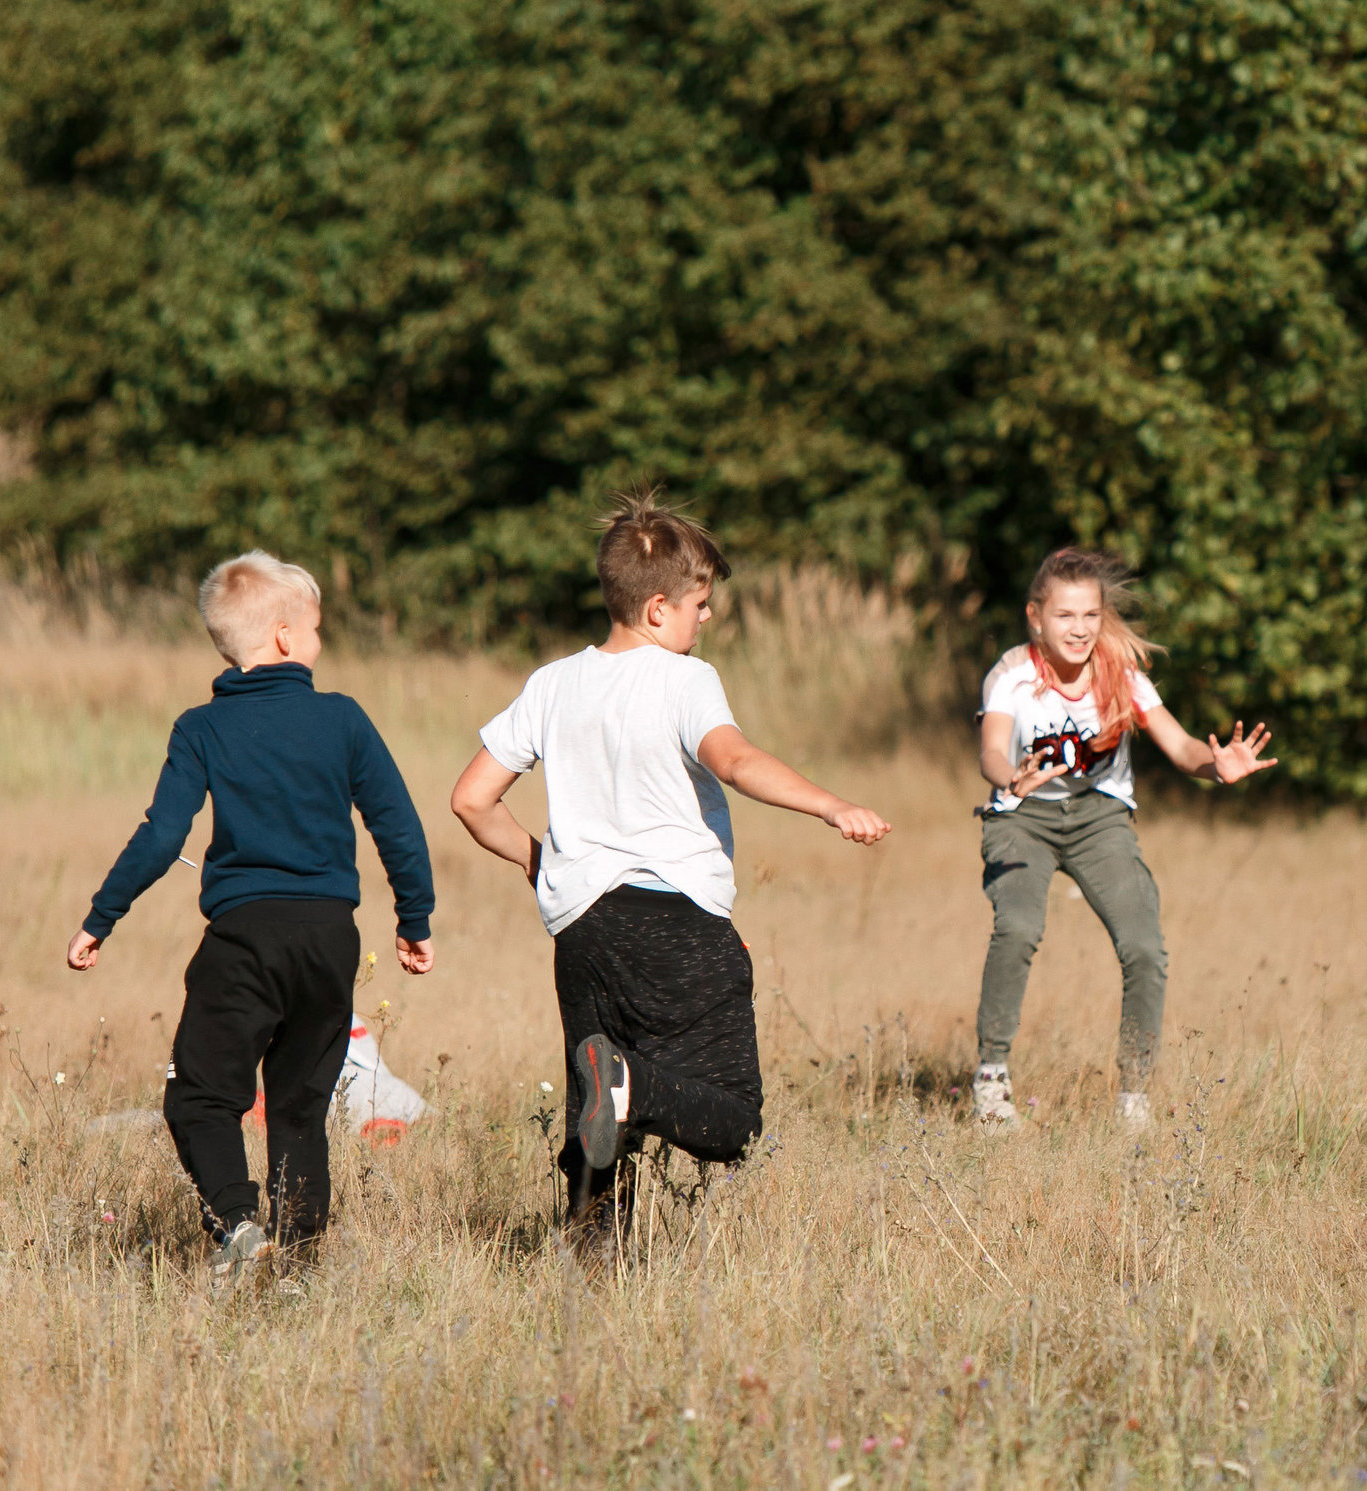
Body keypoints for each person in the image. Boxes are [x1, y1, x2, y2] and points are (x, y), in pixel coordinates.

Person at [449, 491, 891, 1236]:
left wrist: (542, 862)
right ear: (658, 610)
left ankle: (589, 1273)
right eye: (701, 603)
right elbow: (737, 759)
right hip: (676, 921)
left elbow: (470, 799)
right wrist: (828, 804)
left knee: (600, 1122)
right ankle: (632, 1085)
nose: (706, 618)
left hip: (582, 928)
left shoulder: (553, 682)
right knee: (735, 1122)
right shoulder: (686, 679)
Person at [66, 551, 436, 1283]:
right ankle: (297, 1265)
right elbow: (395, 821)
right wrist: (414, 916)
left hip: (245, 938)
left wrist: (101, 915)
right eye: (319, 627)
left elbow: (162, 834)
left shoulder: (201, 727)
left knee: (201, 1094)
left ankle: (237, 1223)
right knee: (300, 1102)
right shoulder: (342, 717)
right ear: (287, 637)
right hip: (331, 937)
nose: (322, 642)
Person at [970, 547, 1276, 1131]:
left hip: (1100, 820)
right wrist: (1009, 776)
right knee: (1018, 928)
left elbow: (1183, 747)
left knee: (1145, 949)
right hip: (1021, 816)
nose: (1080, 629)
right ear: (1035, 616)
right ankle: (991, 1079)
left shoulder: (1120, 674)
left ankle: (1134, 1096)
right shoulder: (1012, 674)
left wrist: (1219, 767)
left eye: (1090, 615)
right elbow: (991, 747)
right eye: (1065, 616)